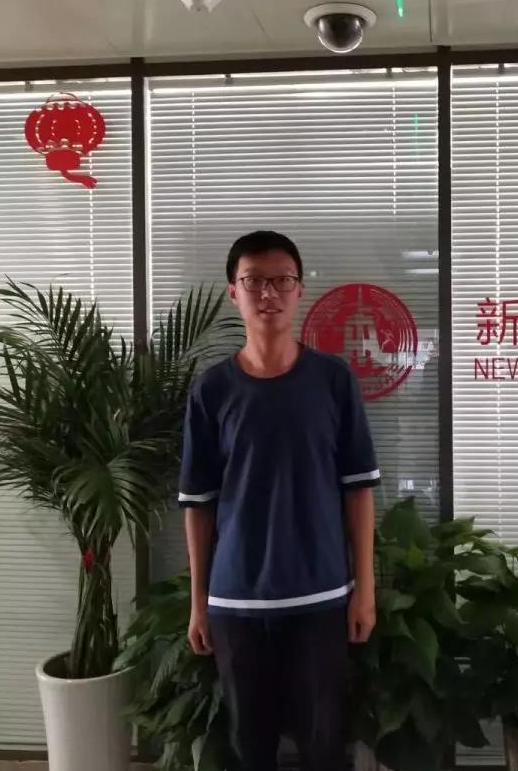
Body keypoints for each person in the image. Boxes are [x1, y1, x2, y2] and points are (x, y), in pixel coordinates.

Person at [178, 230, 379, 771]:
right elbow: (198, 504)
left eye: (282, 280)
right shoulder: (212, 391)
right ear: (233, 292)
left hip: (321, 597)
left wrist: (364, 590)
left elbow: (359, 490)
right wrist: (199, 602)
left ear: (299, 290)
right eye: (254, 281)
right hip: (236, 604)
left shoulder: (333, 381)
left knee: (324, 746)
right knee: (251, 747)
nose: (268, 293)